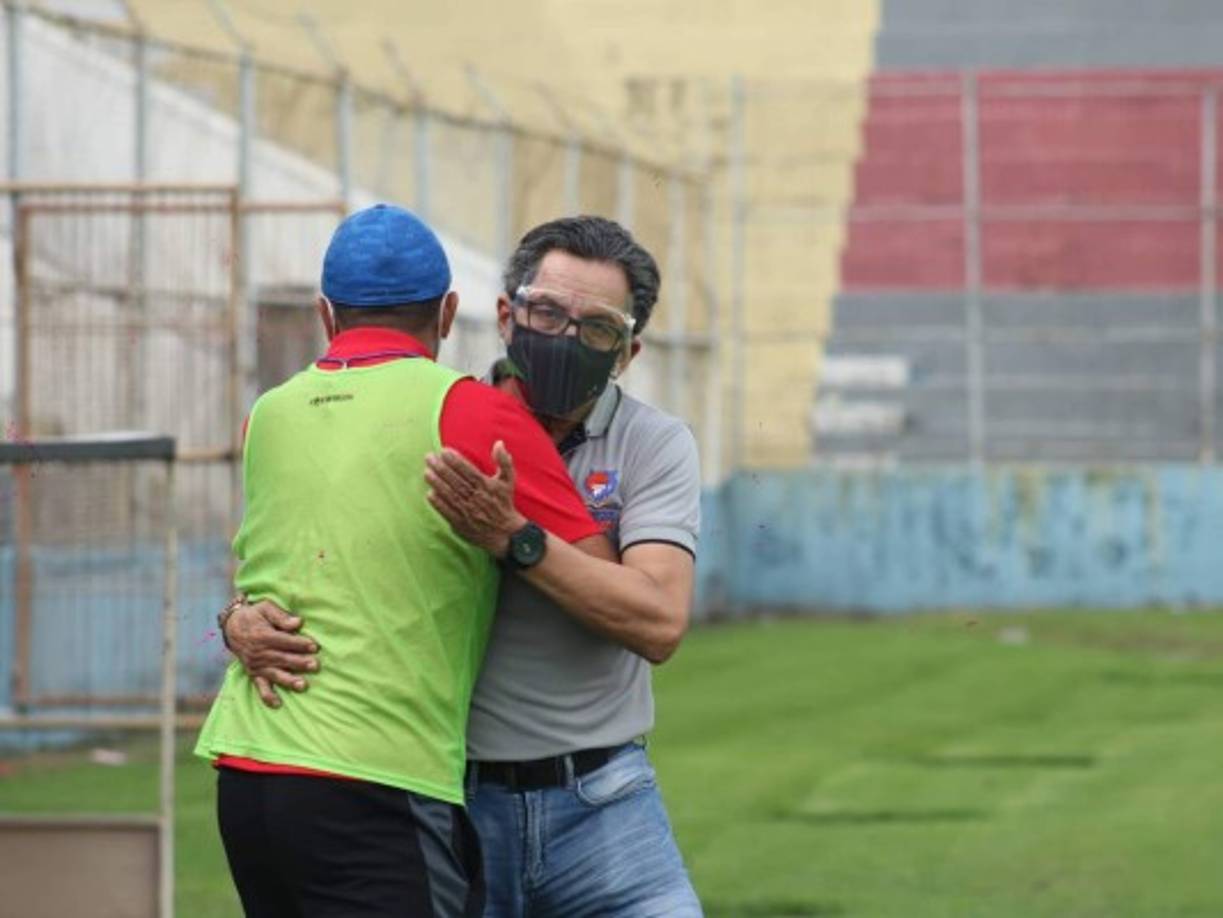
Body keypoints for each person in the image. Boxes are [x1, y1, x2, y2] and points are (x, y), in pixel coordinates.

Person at [225, 216, 704, 916]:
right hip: (455, 793)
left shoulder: (653, 444)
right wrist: (235, 619)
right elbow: (302, 561)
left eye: (594, 328)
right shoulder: (432, 414)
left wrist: (514, 537)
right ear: (504, 315)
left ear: (627, 351)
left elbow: (658, 620)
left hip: (600, 798)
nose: (564, 337)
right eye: (545, 312)